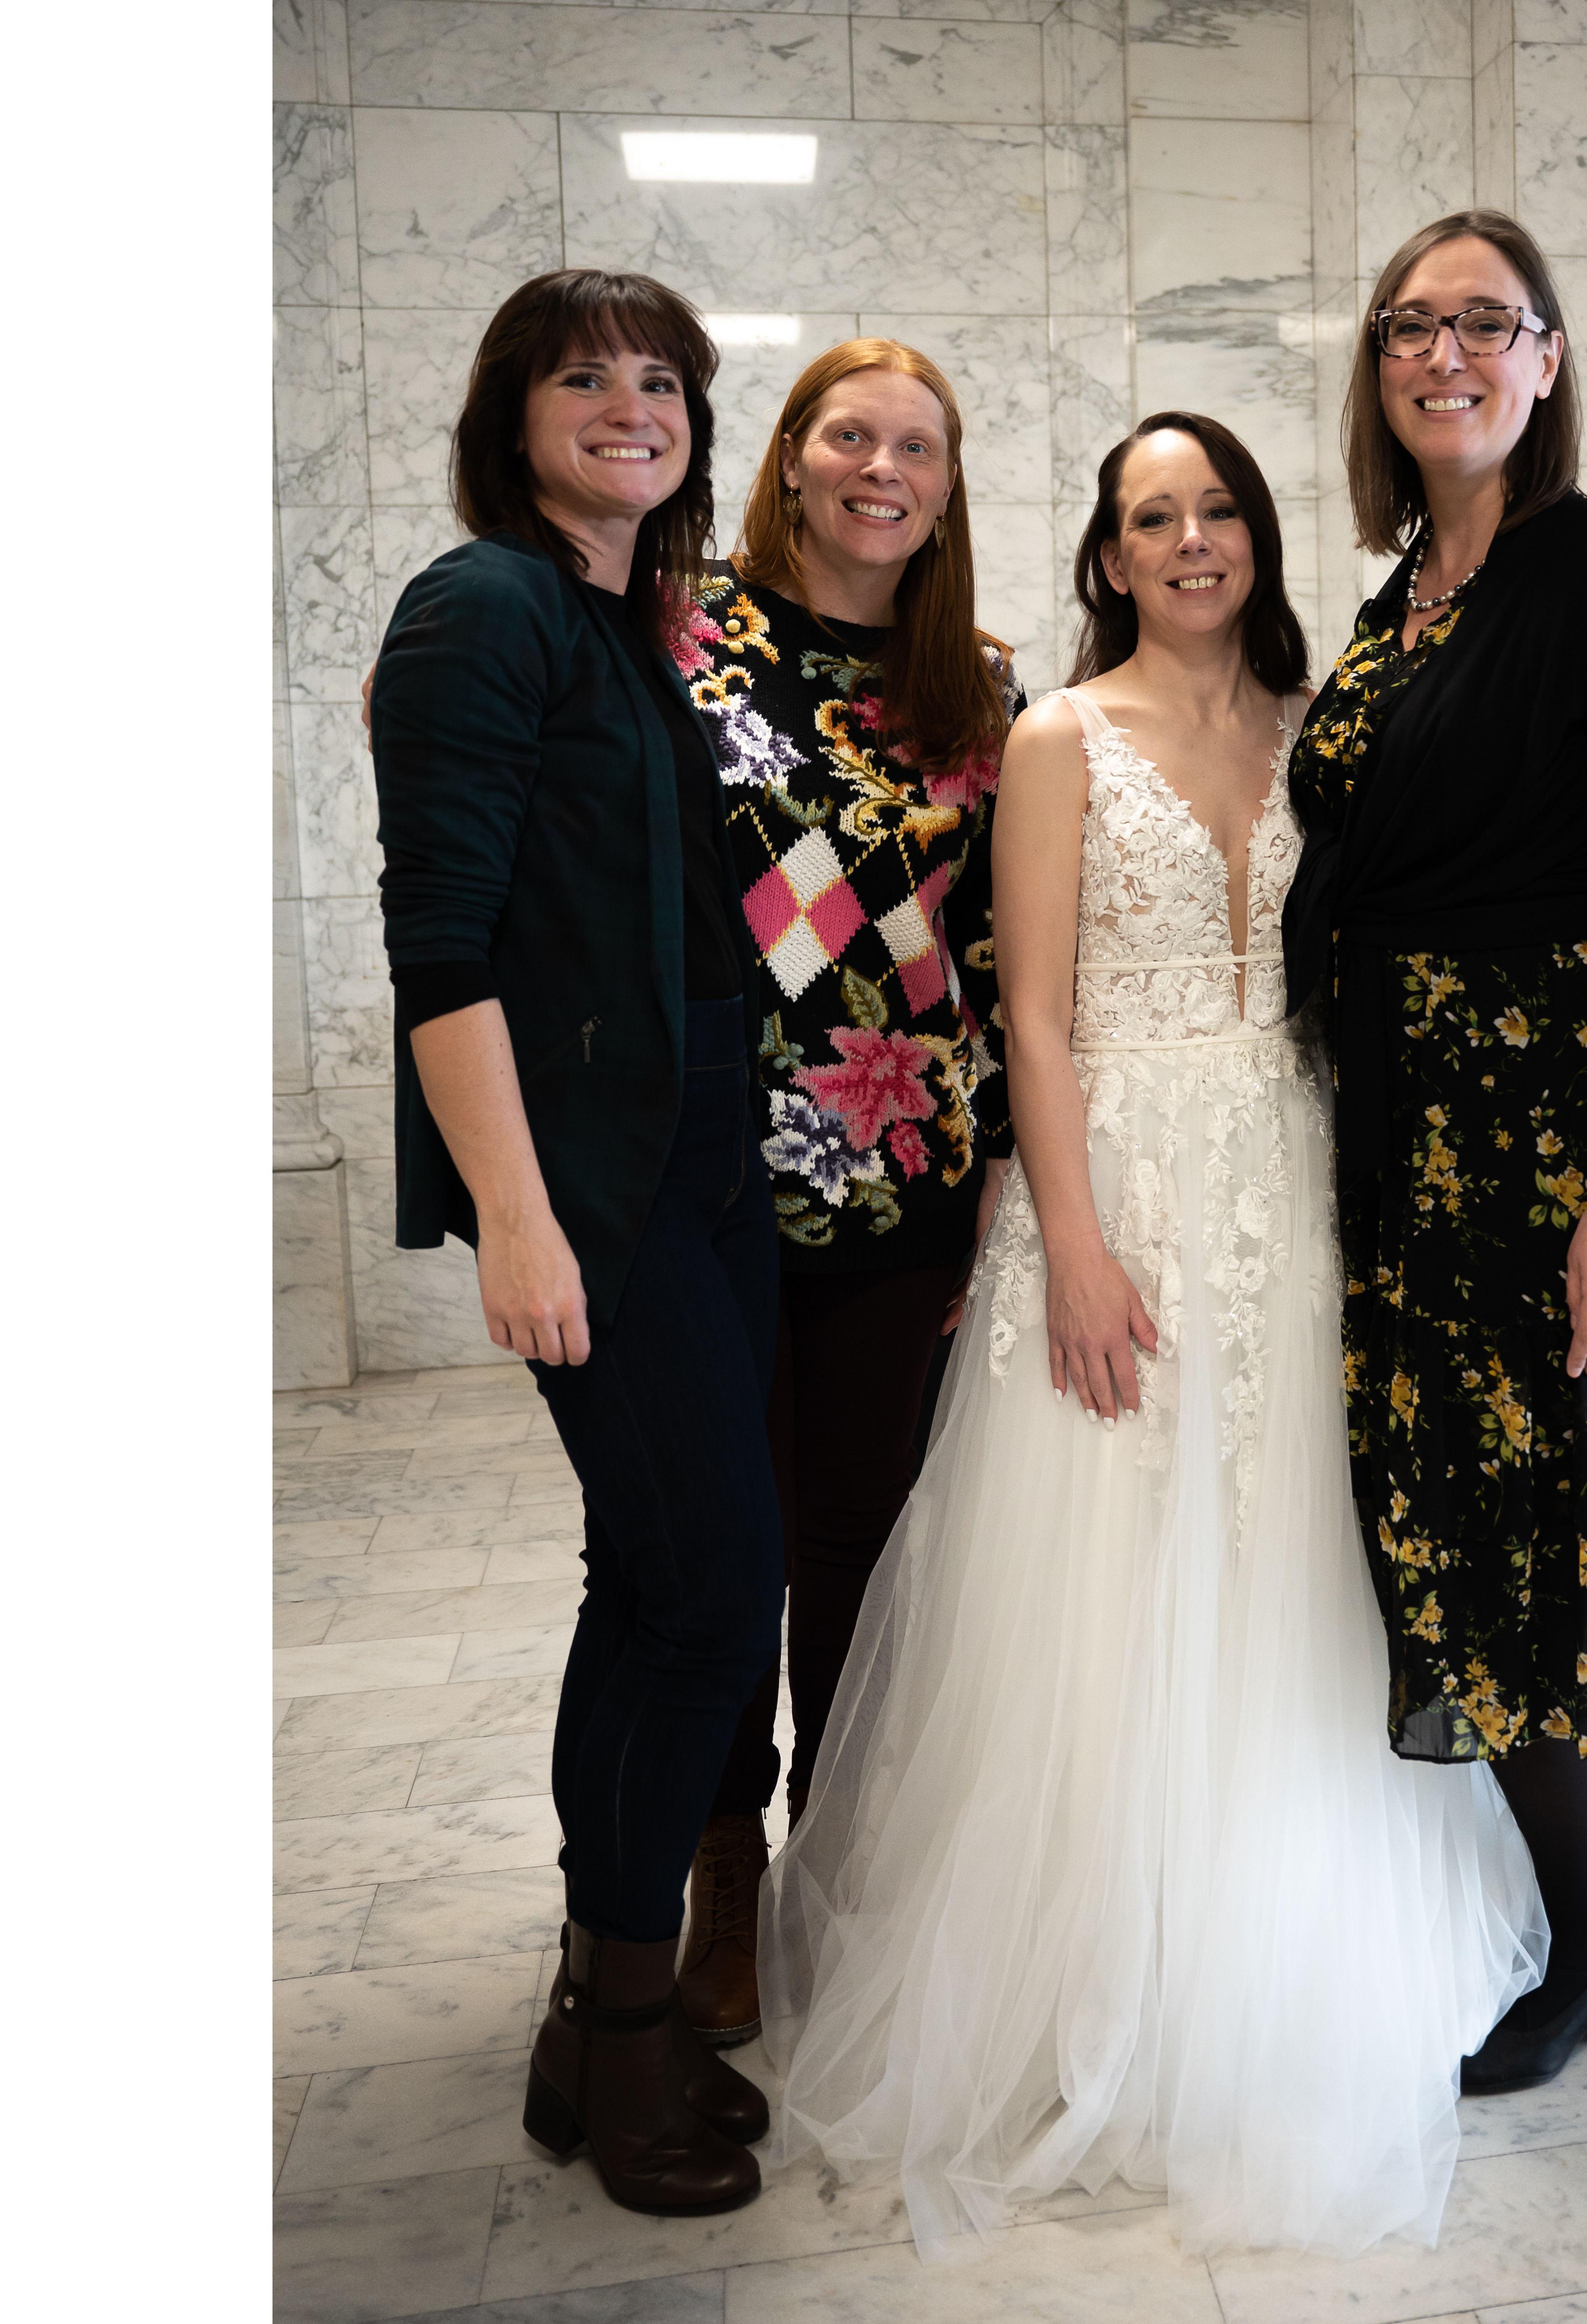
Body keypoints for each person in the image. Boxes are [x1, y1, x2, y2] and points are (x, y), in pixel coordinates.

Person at [757, 412, 1587, 2259]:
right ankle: (1119, 1965)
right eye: (1147, 515)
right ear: (1105, 555)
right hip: (1130, 1192)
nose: (1187, 540)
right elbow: (1032, 1019)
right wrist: (1072, 1244)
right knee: (1112, 1572)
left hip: (1318, 1180)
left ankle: (1330, 1924)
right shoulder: (1054, 737)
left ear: (1258, 535)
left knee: (1308, 1560)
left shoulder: (1331, 718)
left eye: (1215, 510)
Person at [1282, 208, 1587, 2094]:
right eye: (1409, 326)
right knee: (1448, 1536)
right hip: (1400, 1146)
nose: (1444, 351)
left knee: (1537, 1545)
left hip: (1547, 1153)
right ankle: (1566, 1907)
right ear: (1377, 375)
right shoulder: (1394, 604)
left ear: (1544, 360)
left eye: (1484, 322)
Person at [369, 268, 778, 2217]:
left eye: (661, 380)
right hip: (598, 1183)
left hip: (700, 1154)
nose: (628, 405)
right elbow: (439, 940)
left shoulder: (624, 622)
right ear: (508, 410)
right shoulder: (484, 603)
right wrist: (519, 1218)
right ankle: (625, 2036)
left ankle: (588, 2005)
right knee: (706, 1587)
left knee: (662, 1575)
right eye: (582, 378)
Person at [663, 341, 1020, 2052]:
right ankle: (720, 1865)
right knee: (721, 1542)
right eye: (851, 435)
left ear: (947, 488)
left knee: (857, 1547)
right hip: (704, 1176)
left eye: (920, 448)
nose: (884, 467)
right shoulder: (671, 633)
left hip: (902, 1176)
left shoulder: (984, 691)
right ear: (792, 457)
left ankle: (845, 1855)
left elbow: (1007, 953)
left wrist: (1009, 1183)